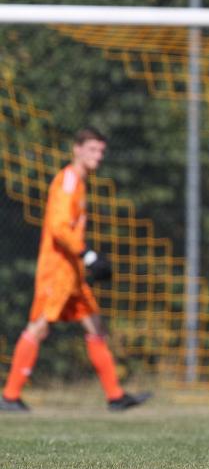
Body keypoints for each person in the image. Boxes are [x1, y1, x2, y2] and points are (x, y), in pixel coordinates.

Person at [0, 127, 151, 412]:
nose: (98, 156)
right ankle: (9, 396)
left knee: (95, 325)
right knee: (40, 326)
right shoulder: (68, 180)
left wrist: (83, 259)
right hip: (58, 270)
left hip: (73, 272)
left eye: (101, 151)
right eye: (92, 149)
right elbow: (58, 228)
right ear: (77, 149)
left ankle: (115, 396)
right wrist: (88, 254)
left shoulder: (80, 182)